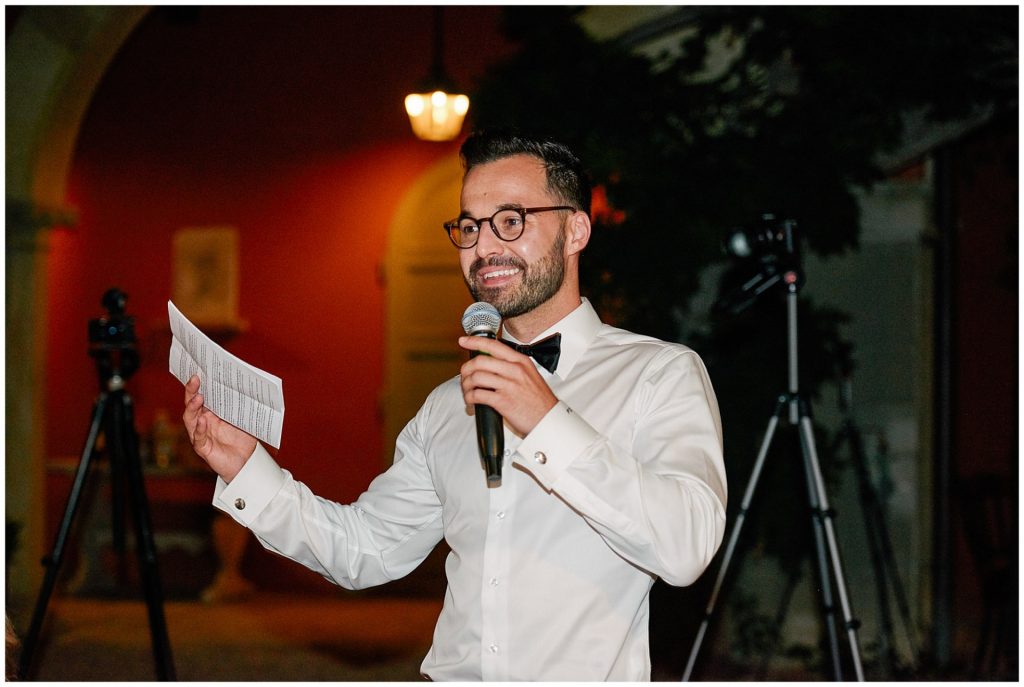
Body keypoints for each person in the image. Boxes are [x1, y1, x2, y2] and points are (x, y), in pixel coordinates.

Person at [182, 129, 727, 681]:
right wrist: (246, 468)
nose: (485, 248)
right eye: (470, 227)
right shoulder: (447, 406)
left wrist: (546, 422)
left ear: (575, 230)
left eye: (511, 221)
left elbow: (686, 548)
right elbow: (363, 549)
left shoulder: (659, 374)